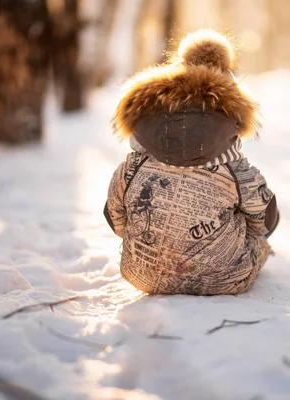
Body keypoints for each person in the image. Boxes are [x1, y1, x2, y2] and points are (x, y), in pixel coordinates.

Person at [104, 30, 279, 295]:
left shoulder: (135, 163)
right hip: (225, 280)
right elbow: (265, 219)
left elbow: (114, 215)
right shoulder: (234, 167)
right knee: (258, 219)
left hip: (142, 277)